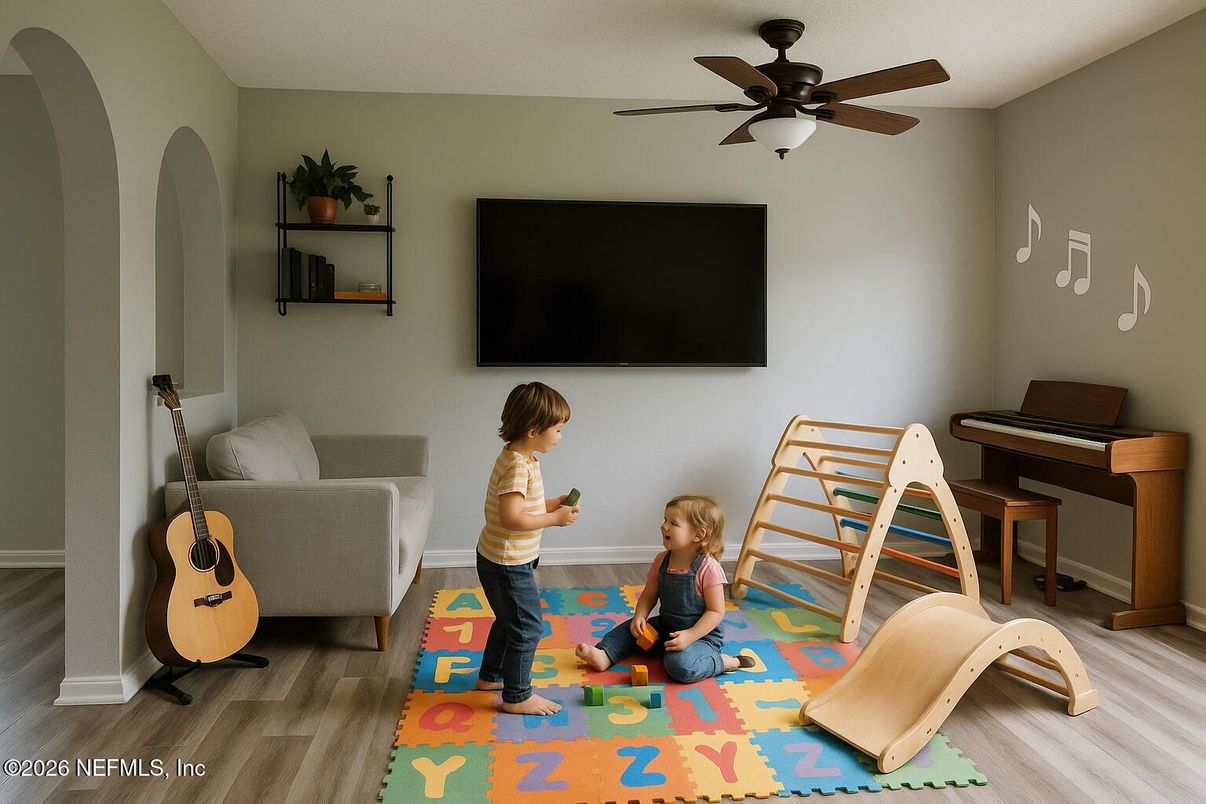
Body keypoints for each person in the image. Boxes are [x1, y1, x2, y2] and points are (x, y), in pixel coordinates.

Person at [476, 381, 580, 715]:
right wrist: (554, 519)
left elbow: (523, 505)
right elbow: (511, 518)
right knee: (528, 627)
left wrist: (552, 504)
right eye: (559, 429)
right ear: (534, 429)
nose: (561, 436)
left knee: (509, 620)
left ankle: (491, 676)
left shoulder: (521, 458)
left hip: (503, 557)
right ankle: (517, 695)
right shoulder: (517, 466)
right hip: (507, 562)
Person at [575, 494, 753, 683]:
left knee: (680, 666)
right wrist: (640, 616)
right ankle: (604, 655)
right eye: (665, 520)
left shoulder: (708, 568)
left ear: (698, 535)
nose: (664, 526)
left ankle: (724, 662)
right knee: (629, 631)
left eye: (673, 523)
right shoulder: (662, 560)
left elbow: (716, 611)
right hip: (666, 626)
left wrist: (690, 635)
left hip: (701, 636)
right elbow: (649, 595)